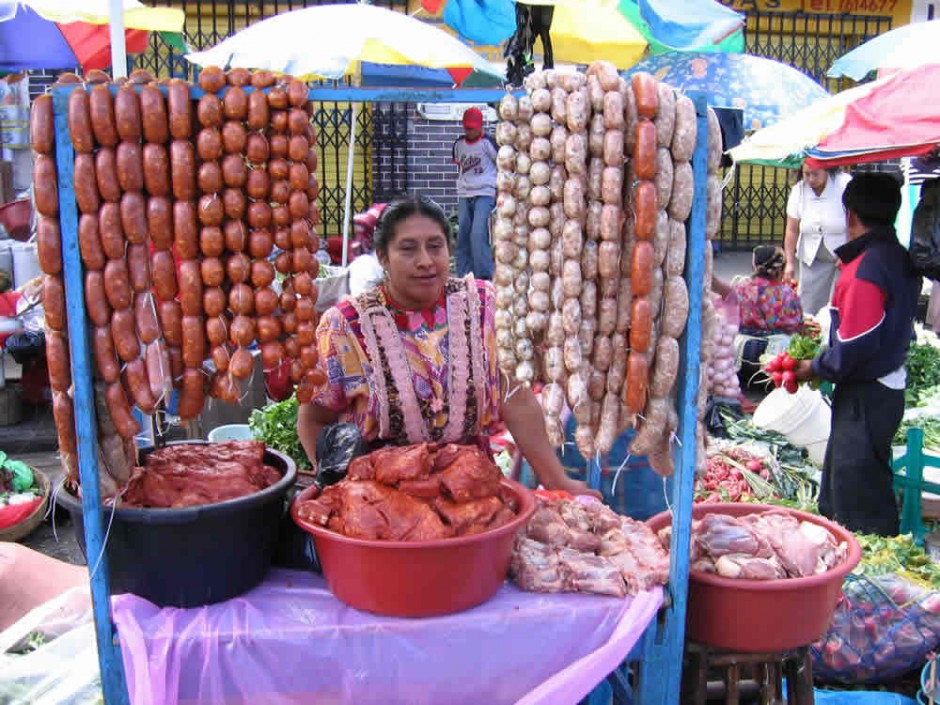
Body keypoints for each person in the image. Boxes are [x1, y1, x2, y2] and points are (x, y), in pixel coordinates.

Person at [297, 196, 597, 498]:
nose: (425, 260)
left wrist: (557, 481)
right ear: (383, 257)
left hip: (472, 493)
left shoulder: (484, 306)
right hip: (378, 501)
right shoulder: (346, 326)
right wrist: (336, 494)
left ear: (450, 250)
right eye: (408, 248)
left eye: (435, 246)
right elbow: (313, 418)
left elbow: (515, 398)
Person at [793, 173, 921, 536]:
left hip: (868, 391)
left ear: (850, 214)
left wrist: (813, 367)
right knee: (856, 477)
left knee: (855, 492)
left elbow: (856, 346)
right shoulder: (893, 256)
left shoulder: (867, 269)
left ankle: (864, 568)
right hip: (882, 387)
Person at [713, 245, 804, 389]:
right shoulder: (787, 294)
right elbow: (797, 326)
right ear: (780, 270)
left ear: (755, 266)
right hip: (775, 356)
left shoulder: (741, 288)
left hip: (743, 352)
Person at [784, 162, 852, 316]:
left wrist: (849, 252)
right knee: (809, 306)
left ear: (827, 170)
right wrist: (789, 262)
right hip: (812, 257)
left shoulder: (844, 183)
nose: (810, 179)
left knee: (839, 306)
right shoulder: (799, 190)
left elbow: (853, 222)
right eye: (806, 174)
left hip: (841, 256)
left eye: (815, 174)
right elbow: (792, 229)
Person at [452, 107, 496, 280]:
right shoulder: (459, 144)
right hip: (464, 193)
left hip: (485, 192)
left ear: (480, 126)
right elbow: (460, 168)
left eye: (472, 128)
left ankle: (483, 275)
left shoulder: (488, 143)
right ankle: (463, 274)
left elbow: (501, 163)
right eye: (467, 128)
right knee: (463, 233)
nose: (469, 131)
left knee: (478, 233)